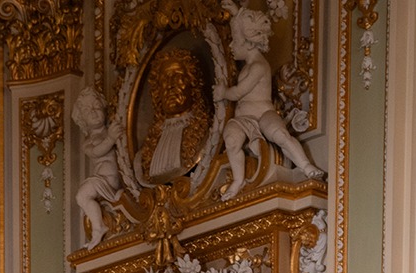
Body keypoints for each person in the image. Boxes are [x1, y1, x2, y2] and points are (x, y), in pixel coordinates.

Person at [216, 6, 323, 194]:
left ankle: (306, 166)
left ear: (249, 42)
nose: (231, 46)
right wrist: (236, 12)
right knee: (231, 140)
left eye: (235, 40)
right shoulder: (247, 66)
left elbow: (239, 92)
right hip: (244, 119)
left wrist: (223, 92)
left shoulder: (259, 66)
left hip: (264, 114)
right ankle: (238, 180)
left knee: (280, 135)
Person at [137, 47, 212, 183]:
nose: (170, 86)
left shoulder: (209, 133)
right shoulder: (144, 153)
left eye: (178, 76)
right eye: (165, 80)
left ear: (193, 84)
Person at [73, 86, 124, 250]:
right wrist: (110, 139)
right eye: (88, 111)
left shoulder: (111, 130)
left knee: (82, 196)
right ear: (82, 119)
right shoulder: (88, 142)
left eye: (96, 107)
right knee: (81, 196)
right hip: (101, 180)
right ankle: (98, 227)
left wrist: (111, 136)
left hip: (111, 180)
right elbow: (96, 152)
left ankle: (98, 227)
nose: (94, 112)